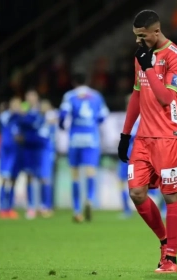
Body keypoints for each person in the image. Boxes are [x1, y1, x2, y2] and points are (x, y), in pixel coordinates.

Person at [117, 10, 177, 273]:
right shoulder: (142, 56)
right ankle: (163, 241)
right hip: (144, 137)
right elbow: (137, 95)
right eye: (136, 36)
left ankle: (172, 258)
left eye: (142, 36)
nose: (138, 41)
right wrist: (126, 134)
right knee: (136, 193)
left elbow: (166, 99)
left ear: (156, 32)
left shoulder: (176, 57)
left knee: (171, 196)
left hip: (170, 136)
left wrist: (148, 65)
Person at [59, 73, 109, 222]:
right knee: (90, 171)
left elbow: (63, 114)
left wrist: (62, 126)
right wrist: (93, 123)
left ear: (74, 82)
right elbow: (103, 115)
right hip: (91, 138)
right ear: (87, 81)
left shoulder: (69, 96)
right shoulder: (96, 96)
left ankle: (76, 210)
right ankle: (90, 199)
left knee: (74, 174)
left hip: (75, 138)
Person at [18, 89, 45, 219]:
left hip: (38, 147)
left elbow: (38, 124)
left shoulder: (41, 110)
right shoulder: (24, 110)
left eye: (32, 96)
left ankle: (40, 205)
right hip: (27, 147)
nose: (30, 98)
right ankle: (30, 206)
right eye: (28, 96)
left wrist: (27, 119)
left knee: (39, 175)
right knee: (29, 175)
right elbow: (21, 123)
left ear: (36, 97)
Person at [0, 97, 22, 219]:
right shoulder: (5, 115)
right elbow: (6, 120)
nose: (17, 107)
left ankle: (10, 208)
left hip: (16, 152)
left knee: (13, 179)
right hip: (6, 152)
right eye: (15, 104)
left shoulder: (19, 119)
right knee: (4, 178)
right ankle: (2, 207)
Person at [117, 94, 140, 219]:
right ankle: (126, 209)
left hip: (135, 153)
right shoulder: (130, 118)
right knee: (122, 181)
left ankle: (127, 210)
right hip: (132, 152)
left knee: (125, 182)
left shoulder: (139, 118)